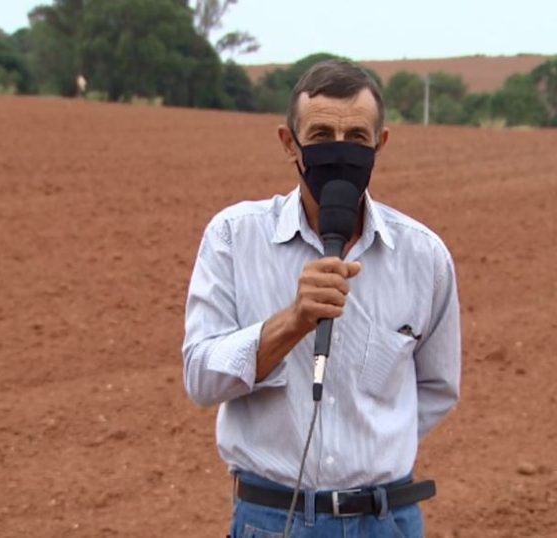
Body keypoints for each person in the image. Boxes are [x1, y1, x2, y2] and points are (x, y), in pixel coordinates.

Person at [182, 60, 461, 537]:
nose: (340, 149)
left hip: (384, 519)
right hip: (274, 519)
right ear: (288, 142)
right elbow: (201, 378)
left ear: (380, 144)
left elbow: (436, 388)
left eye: (356, 136)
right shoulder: (234, 237)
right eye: (321, 134)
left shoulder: (424, 256)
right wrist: (292, 322)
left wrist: (370, 450)